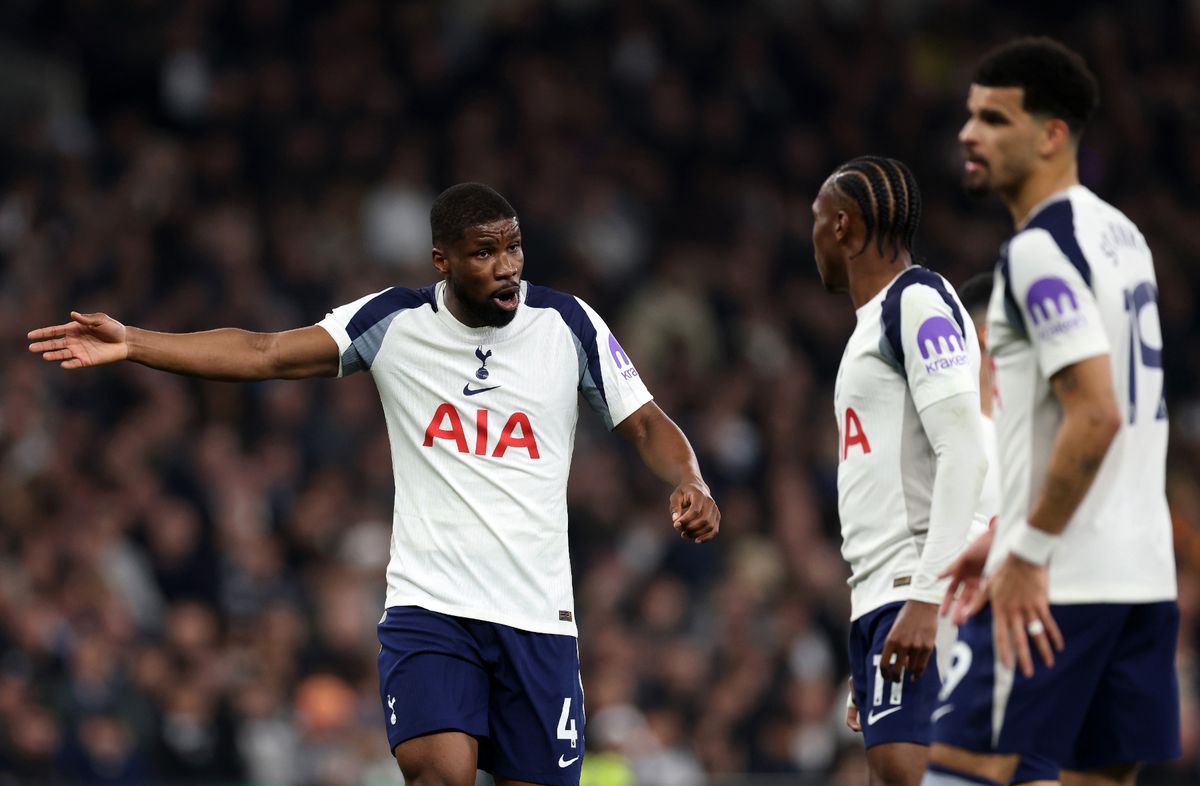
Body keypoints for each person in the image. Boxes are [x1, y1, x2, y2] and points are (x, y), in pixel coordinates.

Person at [28, 182, 721, 786]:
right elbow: (266, 352)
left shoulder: (567, 324)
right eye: (484, 253)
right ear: (442, 262)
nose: (507, 267)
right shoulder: (391, 322)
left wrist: (691, 479)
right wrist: (136, 342)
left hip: (538, 620)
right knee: (436, 775)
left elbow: (647, 421)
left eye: (513, 249)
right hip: (431, 608)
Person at [924, 37, 1179, 786]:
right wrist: (1006, 527)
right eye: (970, 116)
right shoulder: (1123, 236)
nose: (970, 134)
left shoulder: (1039, 250)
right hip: (1141, 574)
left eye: (995, 120)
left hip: (1060, 578)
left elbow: (1097, 416)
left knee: (964, 762)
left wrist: (1025, 549)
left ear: (1052, 135)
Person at [812, 155, 987, 786]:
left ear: (843, 225)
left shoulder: (914, 301)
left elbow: (965, 446)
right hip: (881, 593)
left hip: (915, 583)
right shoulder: (872, 326)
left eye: (815, 219)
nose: (810, 236)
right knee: (897, 772)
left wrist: (927, 594)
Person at [939, 273, 1060, 786]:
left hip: (1030, 654)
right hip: (959, 653)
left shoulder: (1046, 438)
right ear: (989, 337)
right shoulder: (949, 435)